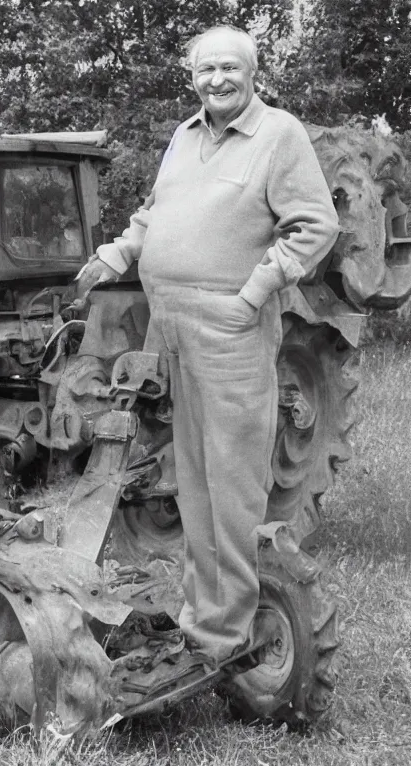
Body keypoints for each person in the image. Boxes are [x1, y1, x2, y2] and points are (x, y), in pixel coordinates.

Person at [75, 27, 338, 669]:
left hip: (230, 330)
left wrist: (254, 292)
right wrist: (117, 252)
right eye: (205, 69)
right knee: (191, 481)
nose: (216, 79)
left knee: (232, 481)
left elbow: (316, 224)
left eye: (229, 68)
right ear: (190, 75)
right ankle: (201, 615)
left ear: (252, 73)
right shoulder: (185, 136)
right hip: (172, 327)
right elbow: (154, 212)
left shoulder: (278, 135)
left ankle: (228, 635)